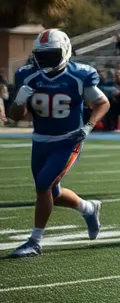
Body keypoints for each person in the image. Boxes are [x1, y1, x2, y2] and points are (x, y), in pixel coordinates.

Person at [5, 30, 108, 258]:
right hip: (40, 140)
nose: (45, 60)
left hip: (68, 141)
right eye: (41, 56)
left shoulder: (79, 75)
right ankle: (89, 208)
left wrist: (88, 127)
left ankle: (35, 241)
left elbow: (102, 103)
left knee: (43, 185)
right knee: (53, 192)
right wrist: (19, 100)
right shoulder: (27, 75)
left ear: (65, 52)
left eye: (51, 55)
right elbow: (15, 115)